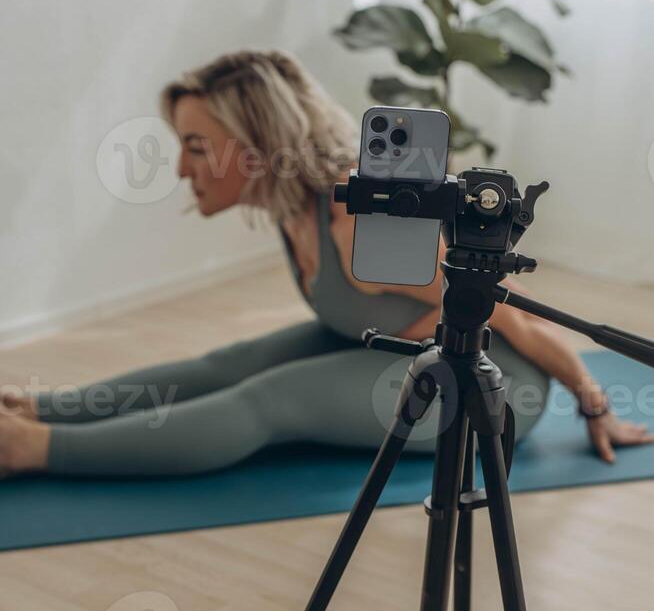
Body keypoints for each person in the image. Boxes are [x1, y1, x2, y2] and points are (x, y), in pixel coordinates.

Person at [0, 49, 651, 478]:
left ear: (256, 144)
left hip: (483, 388)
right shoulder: (296, 208)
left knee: (268, 399)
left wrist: (594, 404)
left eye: (197, 147)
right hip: (394, 349)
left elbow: (505, 314)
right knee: (227, 365)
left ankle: (30, 449)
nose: (180, 168)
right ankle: (41, 408)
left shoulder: (354, 222)